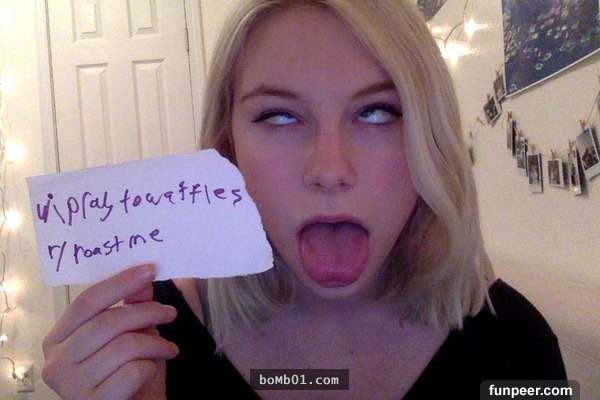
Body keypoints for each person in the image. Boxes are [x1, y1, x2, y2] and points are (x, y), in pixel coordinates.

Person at [41, 0, 568, 399]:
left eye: (378, 112)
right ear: (228, 149)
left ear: (431, 139)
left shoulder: (515, 344)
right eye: (279, 116)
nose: (330, 171)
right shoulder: (153, 337)